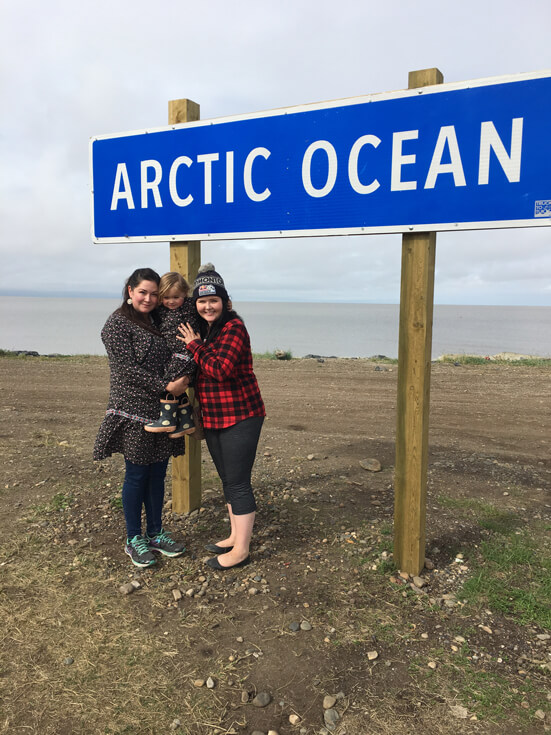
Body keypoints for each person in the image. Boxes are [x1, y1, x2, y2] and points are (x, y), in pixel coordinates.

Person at [93, 268, 189, 568]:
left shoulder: (158, 318)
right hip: (132, 409)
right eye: (142, 292)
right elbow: (125, 369)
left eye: (153, 293)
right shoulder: (117, 324)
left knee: (158, 474)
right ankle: (134, 538)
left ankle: (156, 532)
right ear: (130, 291)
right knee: (136, 474)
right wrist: (167, 386)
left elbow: (184, 308)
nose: (148, 298)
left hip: (161, 410)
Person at [178, 264, 265, 570]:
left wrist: (194, 345)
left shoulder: (233, 329)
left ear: (225, 302)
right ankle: (234, 535)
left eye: (213, 300)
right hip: (215, 417)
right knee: (228, 479)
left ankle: (241, 550)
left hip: (241, 415)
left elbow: (220, 369)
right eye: (202, 301)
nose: (207, 306)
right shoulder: (208, 329)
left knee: (239, 482)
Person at [144, 271, 198, 438]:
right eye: (166, 297)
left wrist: (227, 304)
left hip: (185, 354)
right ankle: (186, 421)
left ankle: (167, 420)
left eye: (176, 297)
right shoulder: (160, 310)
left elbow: (207, 300)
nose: (171, 301)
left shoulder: (190, 306)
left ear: (185, 293)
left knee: (167, 383)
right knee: (177, 387)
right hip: (175, 356)